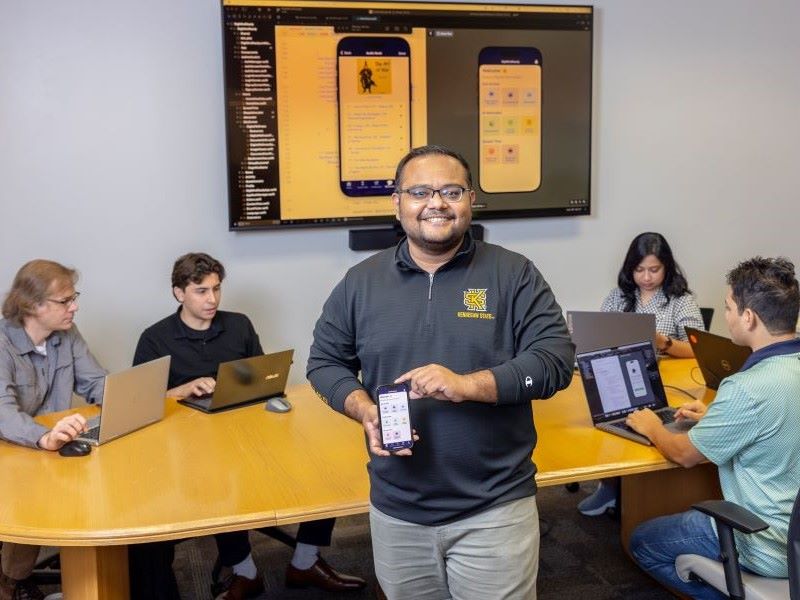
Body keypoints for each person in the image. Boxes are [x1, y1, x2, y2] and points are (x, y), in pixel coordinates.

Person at [307, 145, 575, 599]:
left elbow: (555, 361)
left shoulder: (514, 274)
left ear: (471, 200)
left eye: (451, 191)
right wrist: (364, 410)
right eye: (420, 192)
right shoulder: (360, 282)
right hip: (397, 510)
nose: (436, 203)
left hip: (494, 507)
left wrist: (468, 385)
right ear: (397, 203)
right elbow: (324, 362)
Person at [129, 253, 365, 600]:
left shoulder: (238, 325)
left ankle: (305, 560)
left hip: (250, 429)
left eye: (216, 289)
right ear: (179, 293)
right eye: (201, 291)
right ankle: (245, 571)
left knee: (323, 465)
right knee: (220, 479)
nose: (212, 299)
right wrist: (181, 390)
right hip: (192, 447)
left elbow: (262, 377)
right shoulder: (155, 338)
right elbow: (138, 402)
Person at [626, 256, 800, 599]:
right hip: (795, 536)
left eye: (729, 308)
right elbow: (779, 420)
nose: (727, 317)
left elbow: (685, 454)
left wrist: (652, 426)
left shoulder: (747, 387)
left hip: (765, 542)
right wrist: (716, 417)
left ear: (749, 317)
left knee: (641, 542)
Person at [578, 232, 705, 517]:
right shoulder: (618, 296)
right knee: (607, 422)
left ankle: (645, 493)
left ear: (667, 267)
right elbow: (599, 334)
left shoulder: (680, 300)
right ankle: (610, 486)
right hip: (618, 376)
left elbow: (698, 347)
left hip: (666, 381)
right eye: (639, 270)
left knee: (658, 422)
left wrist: (664, 342)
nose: (646, 277)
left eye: (654, 269)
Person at [0, 260, 106, 600]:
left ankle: (96, 571)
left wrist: (126, 399)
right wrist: (43, 437)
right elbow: (3, 412)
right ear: (32, 305)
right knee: (29, 494)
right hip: (12, 447)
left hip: (55, 444)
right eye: (65, 301)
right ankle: (10, 580)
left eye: (74, 298)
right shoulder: (2, 344)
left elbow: (95, 383)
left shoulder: (67, 334)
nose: (74, 307)